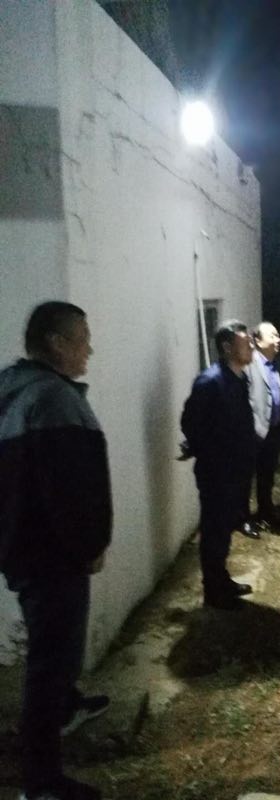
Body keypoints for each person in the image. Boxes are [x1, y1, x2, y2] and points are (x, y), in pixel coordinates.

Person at [0, 302, 112, 800]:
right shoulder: (52, 400)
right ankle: (41, 783)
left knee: (55, 656)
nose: (90, 348)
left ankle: (66, 706)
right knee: (50, 663)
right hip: (53, 558)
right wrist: (89, 546)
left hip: (23, 549)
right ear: (56, 343)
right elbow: (69, 490)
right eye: (82, 338)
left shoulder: (14, 392)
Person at [181, 320, 256, 609]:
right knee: (214, 532)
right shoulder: (210, 382)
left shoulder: (238, 378)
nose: (251, 346)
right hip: (216, 474)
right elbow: (190, 423)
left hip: (235, 472)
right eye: (245, 342)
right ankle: (213, 592)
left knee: (224, 530)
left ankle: (221, 580)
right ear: (226, 347)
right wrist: (212, 454)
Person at [246, 321, 280, 530]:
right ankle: (244, 518)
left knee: (267, 475)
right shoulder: (248, 365)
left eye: (278, 335)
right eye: (272, 336)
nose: (278, 340)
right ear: (257, 341)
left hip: (275, 430)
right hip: (254, 433)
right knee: (246, 477)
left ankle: (266, 511)